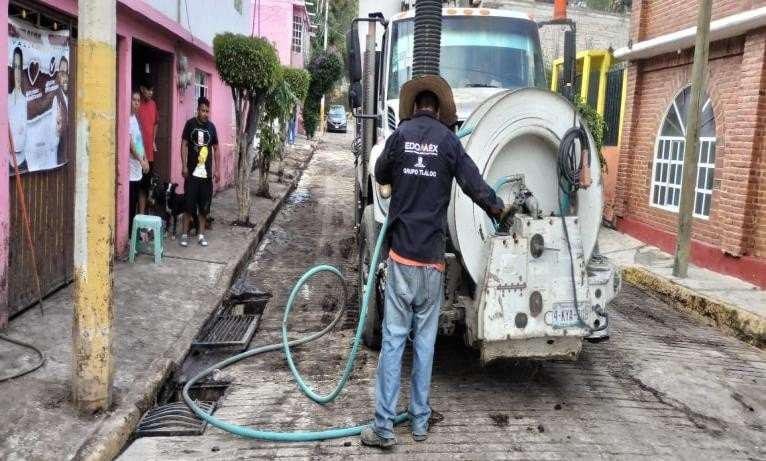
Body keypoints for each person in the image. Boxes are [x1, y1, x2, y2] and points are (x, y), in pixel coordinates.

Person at [360, 75, 510, 449]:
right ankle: (421, 421)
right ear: (439, 110)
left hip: (400, 259)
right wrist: (499, 210)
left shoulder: (399, 137)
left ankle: (382, 428)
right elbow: (475, 184)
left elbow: (380, 174)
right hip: (432, 263)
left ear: (413, 107)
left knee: (394, 341)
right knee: (425, 343)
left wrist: (399, 175)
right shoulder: (449, 142)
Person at [179, 96, 219, 248]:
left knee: (204, 207)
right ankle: (184, 234)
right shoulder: (190, 124)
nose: (205, 113)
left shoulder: (212, 127)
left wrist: (217, 170)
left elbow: (216, 149)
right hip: (192, 174)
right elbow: (183, 145)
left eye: (207, 111)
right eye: (203, 110)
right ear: (198, 110)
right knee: (188, 205)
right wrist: (184, 166)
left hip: (206, 175)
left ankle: (201, 235)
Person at [128, 90, 150, 234]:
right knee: (130, 204)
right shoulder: (128, 120)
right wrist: (140, 161)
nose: (136, 103)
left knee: (136, 201)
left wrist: (145, 159)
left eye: (138, 100)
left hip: (138, 168)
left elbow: (139, 141)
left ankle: (134, 232)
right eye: (134, 100)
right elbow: (130, 145)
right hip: (130, 170)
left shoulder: (135, 119)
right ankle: (129, 234)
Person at [137, 79, 159, 213]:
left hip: (149, 154)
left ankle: (143, 215)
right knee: (137, 187)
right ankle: (138, 215)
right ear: (141, 89)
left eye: (152, 90)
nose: (150, 93)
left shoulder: (153, 104)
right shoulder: (137, 104)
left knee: (146, 186)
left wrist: (153, 140)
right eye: (148, 90)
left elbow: (156, 122)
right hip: (137, 153)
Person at [8, 46, 27, 171]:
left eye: (19, 67)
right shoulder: (6, 98)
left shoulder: (26, 99)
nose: (17, 73)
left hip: (22, 160)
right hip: (7, 159)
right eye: (15, 67)